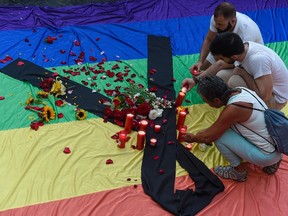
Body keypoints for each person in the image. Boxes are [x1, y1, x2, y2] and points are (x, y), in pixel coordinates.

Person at [182, 75, 282, 182]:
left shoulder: (234, 109)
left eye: (205, 101)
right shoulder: (241, 90)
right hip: (278, 146)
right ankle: (272, 161)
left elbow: (208, 137)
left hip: (268, 156)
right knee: (221, 129)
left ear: (216, 100)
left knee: (220, 137)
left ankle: (238, 172)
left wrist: (192, 138)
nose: (206, 103)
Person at [189, 2, 263, 77]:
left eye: (220, 25)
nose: (216, 26)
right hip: (227, 49)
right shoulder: (218, 20)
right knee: (201, 68)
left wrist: (210, 71)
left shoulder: (246, 33)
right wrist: (200, 62)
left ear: (233, 21)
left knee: (219, 75)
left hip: (246, 60)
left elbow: (241, 60)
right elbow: (209, 39)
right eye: (216, 23)